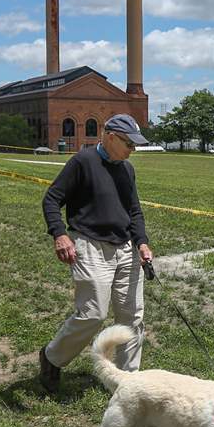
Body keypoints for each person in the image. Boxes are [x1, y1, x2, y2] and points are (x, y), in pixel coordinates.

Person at [37, 114, 153, 394]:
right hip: (89, 245)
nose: (132, 150)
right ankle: (52, 357)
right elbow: (52, 199)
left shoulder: (126, 169)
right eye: (128, 144)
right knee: (93, 314)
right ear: (110, 136)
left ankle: (128, 382)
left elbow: (133, 210)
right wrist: (60, 234)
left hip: (124, 247)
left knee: (132, 317)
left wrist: (142, 242)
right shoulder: (83, 162)